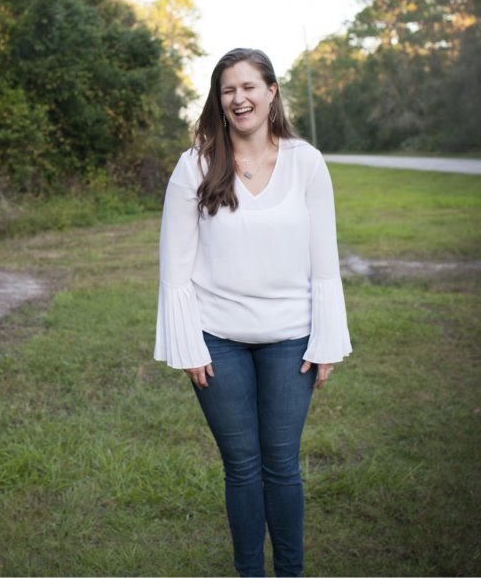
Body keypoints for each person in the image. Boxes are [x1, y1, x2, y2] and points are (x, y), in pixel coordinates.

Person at [154, 48, 353, 577]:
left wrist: (327, 338)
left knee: (281, 465)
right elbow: (174, 263)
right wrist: (187, 343)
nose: (238, 99)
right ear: (218, 101)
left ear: (271, 92)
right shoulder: (196, 163)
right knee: (242, 468)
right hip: (217, 337)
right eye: (227, 90)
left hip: (292, 336)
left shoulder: (306, 162)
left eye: (248, 87)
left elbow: (324, 258)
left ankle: (289, 572)